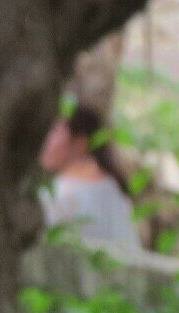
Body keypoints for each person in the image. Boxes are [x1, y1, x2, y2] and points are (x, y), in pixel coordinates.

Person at [40, 107, 141, 252]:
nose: (45, 141)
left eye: (54, 131)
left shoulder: (59, 194)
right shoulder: (113, 188)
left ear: (80, 141)